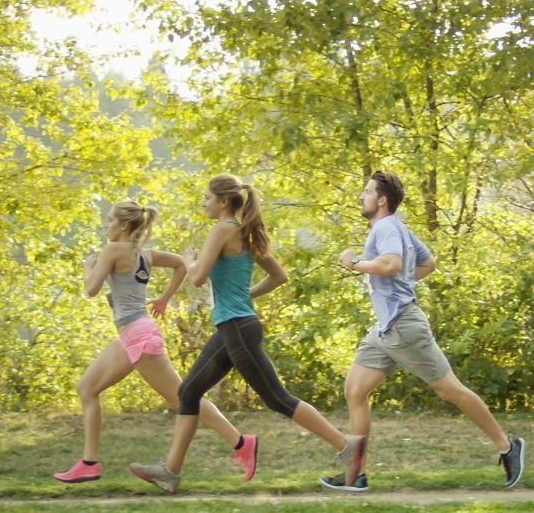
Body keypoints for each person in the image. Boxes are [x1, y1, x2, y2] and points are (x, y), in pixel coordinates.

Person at [129, 175, 364, 494]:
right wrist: (244, 296)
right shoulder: (244, 232)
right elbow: (278, 276)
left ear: (224, 201)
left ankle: (346, 445)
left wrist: (188, 259)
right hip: (234, 326)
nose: (204, 203)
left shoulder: (222, 230)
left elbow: (196, 278)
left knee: (277, 398)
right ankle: (170, 472)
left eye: (207, 197)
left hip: (237, 328)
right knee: (188, 393)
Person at [323, 171, 524, 492]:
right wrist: (399, 283)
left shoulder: (387, 226)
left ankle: (507, 445)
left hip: (404, 325)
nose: (362, 197)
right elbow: (427, 263)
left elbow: (390, 264)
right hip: (385, 328)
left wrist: (354, 262)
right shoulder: (398, 227)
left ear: (382, 199)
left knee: (449, 389)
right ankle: (354, 475)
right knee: (355, 390)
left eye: (367, 192)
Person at [53, 201, 256, 484]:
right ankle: (89, 463)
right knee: (87, 387)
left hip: (139, 335)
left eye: (110, 221)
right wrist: (163, 297)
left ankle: (240, 442)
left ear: (123, 225)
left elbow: (91, 289)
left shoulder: (113, 250)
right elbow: (179, 265)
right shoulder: (144, 254)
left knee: (182, 397)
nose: (107, 226)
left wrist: (89, 266)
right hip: (132, 334)